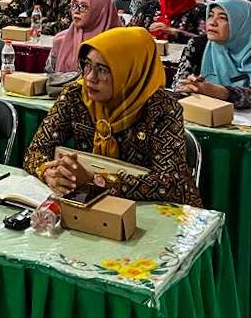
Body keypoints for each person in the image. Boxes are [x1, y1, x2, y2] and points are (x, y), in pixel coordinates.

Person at [24, 27, 202, 207]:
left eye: (103, 70)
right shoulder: (76, 96)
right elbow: (35, 151)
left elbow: (169, 183)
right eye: (87, 65)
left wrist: (97, 180)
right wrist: (48, 171)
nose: (90, 78)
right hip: (94, 207)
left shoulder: (162, 109)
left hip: (156, 212)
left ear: (129, 72)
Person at [174, 0, 251, 109]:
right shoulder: (197, 45)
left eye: (223, 18)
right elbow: (178, 82)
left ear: (243, 25)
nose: (212, 22)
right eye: (210, 15)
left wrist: (216, 91)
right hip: (201, 113)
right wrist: (189, 86)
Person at [45, 0, 120, 74]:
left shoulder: (117, 45)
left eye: (83, 6)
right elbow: (48, 77)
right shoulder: (60, 40)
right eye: (74, 5)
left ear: (100, 11)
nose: (76, 11)